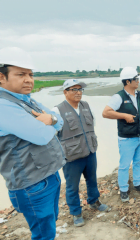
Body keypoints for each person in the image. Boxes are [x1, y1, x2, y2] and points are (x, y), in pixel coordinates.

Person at [0, 47, 65, 239]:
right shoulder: (4, 106)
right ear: (1, 77)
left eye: (30, 74)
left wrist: (50, 120)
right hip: (32, 184)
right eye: (20, 74)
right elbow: (42, 136)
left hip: (48, 175)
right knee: (43, 234)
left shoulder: (26, 100)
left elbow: (59, 120)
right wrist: (51, 120)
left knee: (49, 226)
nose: (29, 79)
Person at [52, 79, 108, 227]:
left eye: (80, 89)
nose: (78, 92)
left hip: (90, 152)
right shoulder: (57, 110)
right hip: (71, 157)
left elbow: (92, 125)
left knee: (92, 180)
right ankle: (76, 213)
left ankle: (94, 201)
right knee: (72, 186)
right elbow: (53, 135)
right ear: (65, 92)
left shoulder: (86, 106)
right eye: (74, 89)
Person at [102, 67, 140, 203]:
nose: (138, 81)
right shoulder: (118, 97)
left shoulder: (139, 94)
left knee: (138, 162)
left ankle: (137, 184)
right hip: (127, 138)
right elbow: (106, 112)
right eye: (136, 79)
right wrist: (123, 115)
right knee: (124, 165)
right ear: (128, 81)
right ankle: (123, 189)